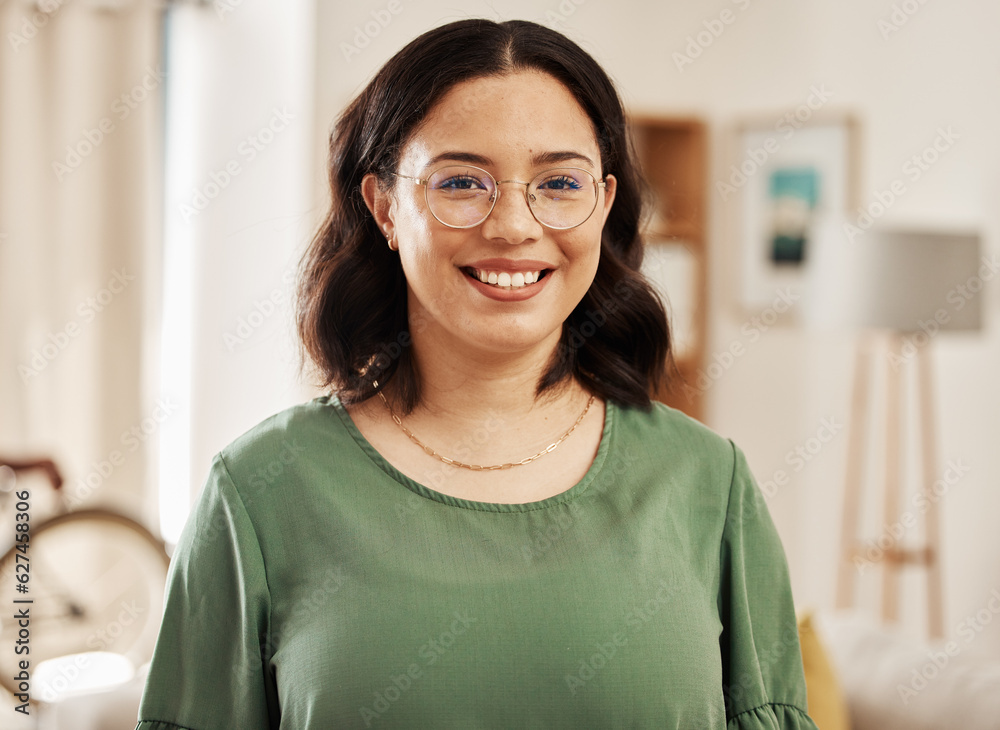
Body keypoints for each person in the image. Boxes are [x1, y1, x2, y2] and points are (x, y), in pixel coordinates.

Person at [136, 18, 818, 730]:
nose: (515, 226)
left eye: (558, 182)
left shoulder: (709, 484)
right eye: (462, 181)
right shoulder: (260, 491)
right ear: (384, 208)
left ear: (605, 204)